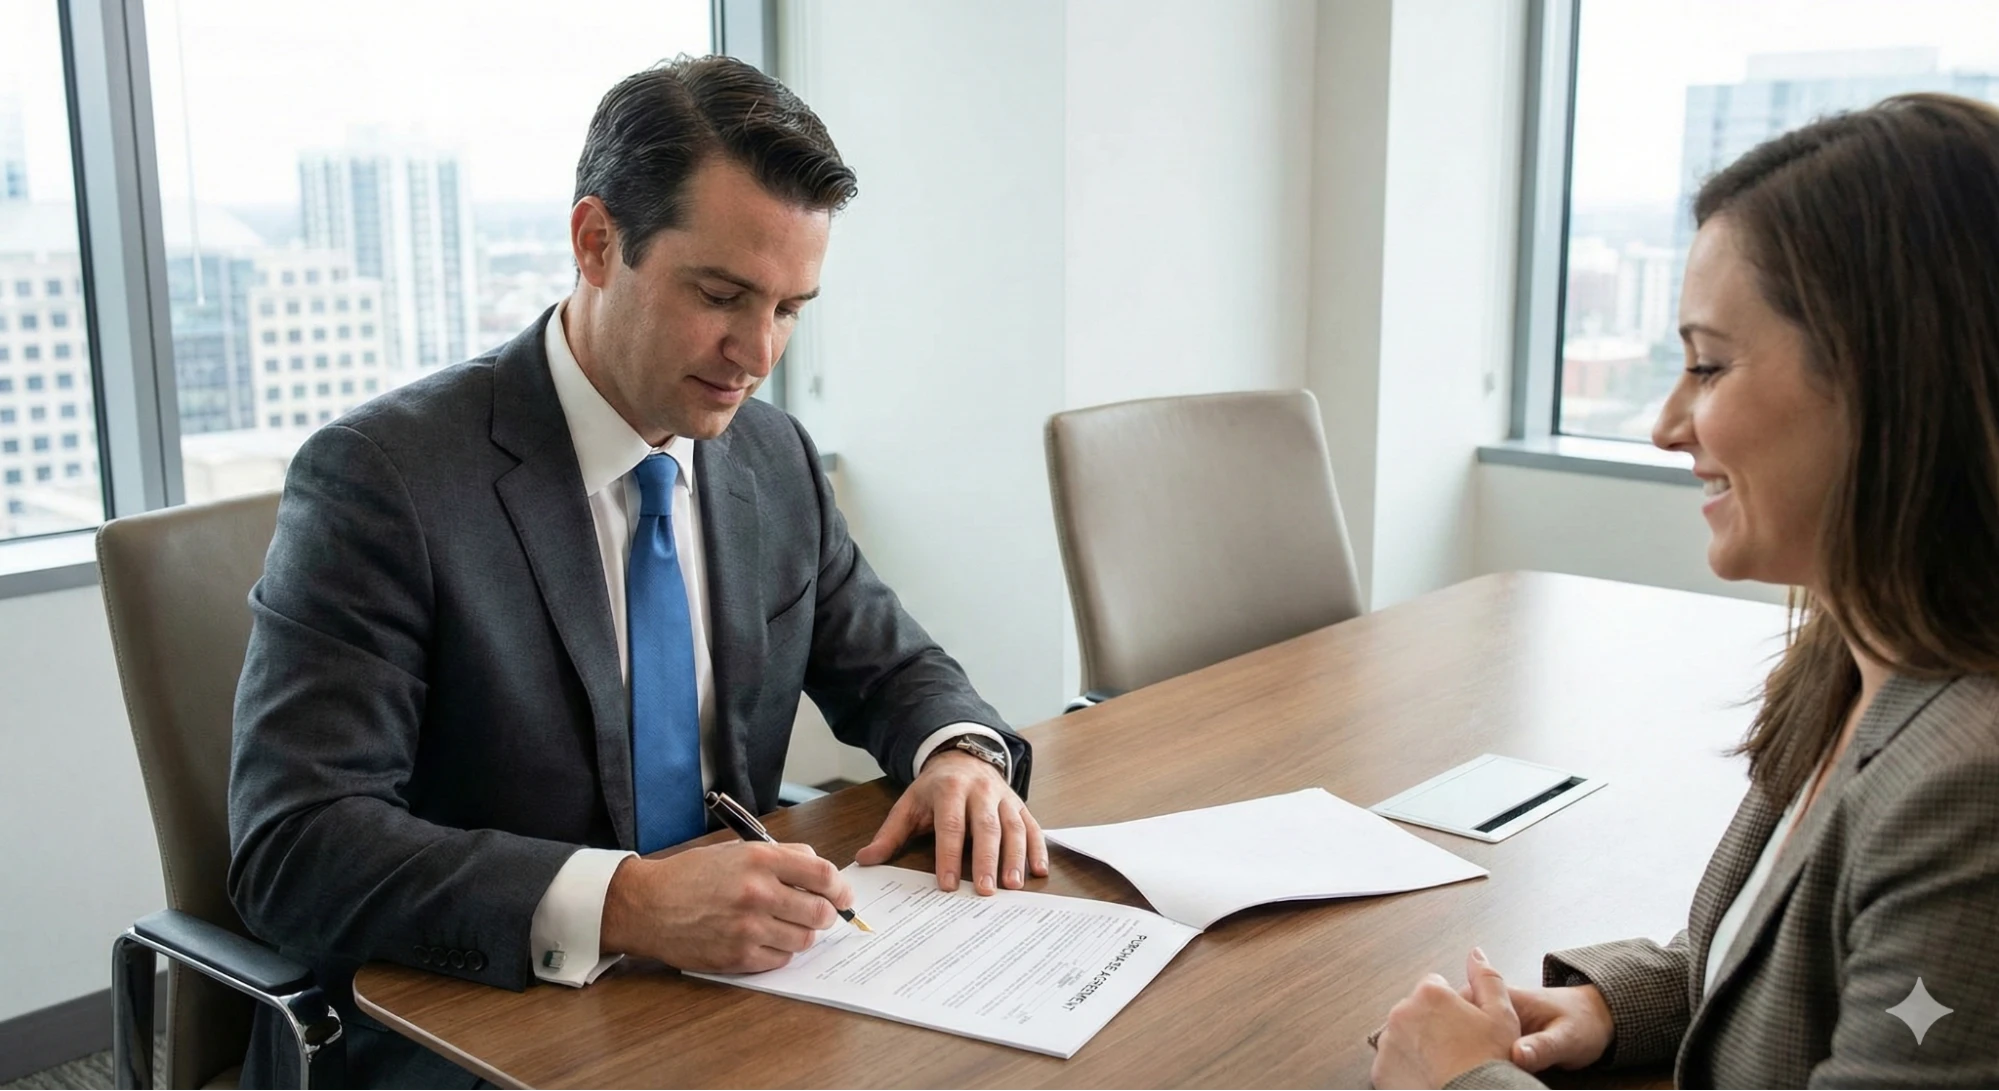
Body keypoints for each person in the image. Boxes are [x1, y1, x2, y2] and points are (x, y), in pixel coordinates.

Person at [228, 55, 1046, 1089]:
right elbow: (295, 844)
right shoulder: (385, 480)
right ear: (595, 241)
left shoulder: (770, 457)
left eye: (792, 308)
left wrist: (958, 753)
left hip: (732, 1000)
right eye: (721, 294)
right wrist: (627, 900)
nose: (757, 353)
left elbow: (890, 663)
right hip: (476, 1029)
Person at [1369, 93, 1999, 1090]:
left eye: (1707, 363)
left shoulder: (1969, 787)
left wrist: (1463, 1083)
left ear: (1888, 382)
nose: (1666, 423)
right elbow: (1795, 943)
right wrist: (1621, 999)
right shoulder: (1854, 654)